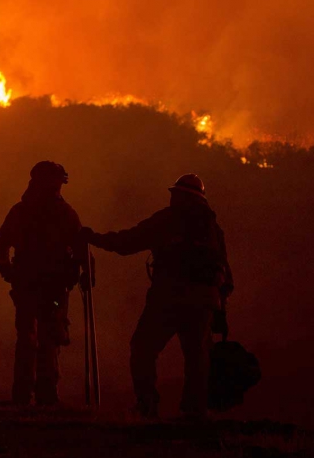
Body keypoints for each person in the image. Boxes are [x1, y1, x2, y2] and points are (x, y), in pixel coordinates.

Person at [81, 174, 233, 420]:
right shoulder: (213, 228)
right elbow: (225, 270)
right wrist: (220, 308)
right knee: (197, 356)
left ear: (182, 196)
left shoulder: (167, 220)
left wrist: (93, 238)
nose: (171, 197)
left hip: (168, 297)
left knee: (143, 348)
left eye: (174, 194)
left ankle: (147, 403)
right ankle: (194, 411)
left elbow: (126, 242)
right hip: (204, 301)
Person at [0, 161, 87, 405]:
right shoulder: (64, 213)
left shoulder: (21, 211)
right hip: (51, 286)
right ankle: (45, 396)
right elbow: (80, 248)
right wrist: (82, 272)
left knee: (29, 338)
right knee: (48, 338)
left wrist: (8, 272)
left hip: (29, 285)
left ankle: (24, 396)